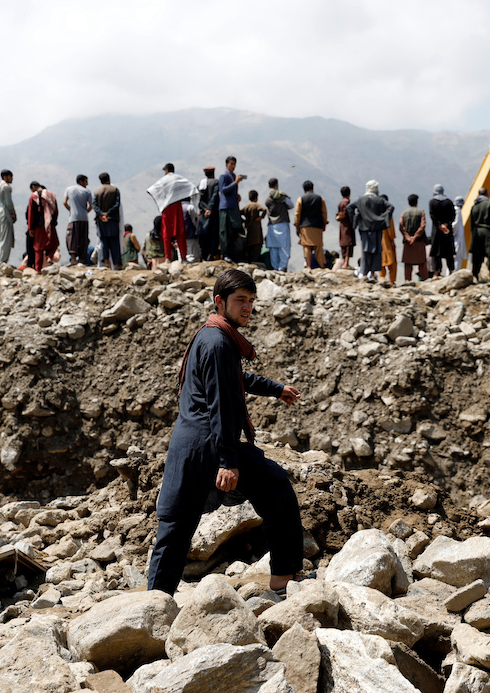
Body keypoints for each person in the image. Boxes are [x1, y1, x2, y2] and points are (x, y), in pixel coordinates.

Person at [146, 269, 304, 595]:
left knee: (175, 527)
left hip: (189, 445)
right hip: (211, 445)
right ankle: (284, 579)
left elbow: (234, 380)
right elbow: (220, 404)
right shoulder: (219, 342)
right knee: (277, 490)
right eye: (239, 301)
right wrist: (228, 460)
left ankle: (155, 600)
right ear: (220, 302)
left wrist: (276, 389)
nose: (247, 307)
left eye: (250, 301)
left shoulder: (213, 336)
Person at [348, 180, 393, 281]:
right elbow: (391, 207)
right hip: (377, 228)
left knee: (365, 251)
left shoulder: (361, 199)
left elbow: (349, 208)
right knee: (377, 251)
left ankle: (364, 274)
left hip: (364, 228)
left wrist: (355, 220)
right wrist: (383, 218)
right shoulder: (380, 200)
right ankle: (373, 273)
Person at [294, 180, 327, 269]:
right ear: (312, 188)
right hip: (317, 226)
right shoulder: (320, 199)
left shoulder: (301, 199)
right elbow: (324, 213)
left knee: (307, 246)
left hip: (305, 226)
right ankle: (322, 266)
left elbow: (297, 213)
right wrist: (324, 224)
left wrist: (297, 226)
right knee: (318, 247)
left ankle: (308, 266)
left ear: (304, 189)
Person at [93, 172, 122, 269]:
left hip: (101, 221)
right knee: (114, 242)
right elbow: (117, 204)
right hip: (112, 219)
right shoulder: (115, 190)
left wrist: (101, 214)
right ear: (109, 179)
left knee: (104, 242)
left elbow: (94, 205)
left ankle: (105, 263)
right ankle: (117, 264)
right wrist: (108, 213)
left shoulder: (97, 191)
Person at [218, 156, 245, 262]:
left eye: (234, 164)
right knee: (225, 232)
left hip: (233, 207)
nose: (233, 166)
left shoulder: (233, 176)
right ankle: (225, 254)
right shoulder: (224, 176)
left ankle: (232, 254)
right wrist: (235, 183)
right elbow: (223, 190)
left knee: (234, 231)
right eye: (231, 164)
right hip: (226, 208)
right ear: (227, 164)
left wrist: (236, 196)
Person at [63, 174, 93, 265]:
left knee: (72, 237)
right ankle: (82, 259)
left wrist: (70, 210)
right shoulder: (87, 191)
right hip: (84, 218)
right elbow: (91, 206)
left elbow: (64, 202)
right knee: (83, 238)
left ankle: (73, 259)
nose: (87, 184)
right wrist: (85, 211)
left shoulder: (69, 189)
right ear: (81, 181)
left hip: (73, 218)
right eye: (86, 181)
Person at [264, 178, 292, 272]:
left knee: (273, 248)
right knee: (284, 247)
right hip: (282, 223)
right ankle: (282, 267)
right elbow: (291, 205)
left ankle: (275, 268)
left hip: (272, 225)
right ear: (277, 184)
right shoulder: (281, 196)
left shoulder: (267, 199)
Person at [428, 184, 456, 277]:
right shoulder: (449, 202)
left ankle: (436, 272)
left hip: (437, 231)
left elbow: (432, 216)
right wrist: (446, 225)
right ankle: (451, 271)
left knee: (437, 252)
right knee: (449, 253)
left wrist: (440, 225)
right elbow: (453, 216)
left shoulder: (432, 202)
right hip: (447, 231)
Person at [469, 187, 490, 281]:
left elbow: (471, 223)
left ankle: (475, 275)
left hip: (476, 233)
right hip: (488, 232)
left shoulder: (474, 206)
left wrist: (474, 232)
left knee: (476, 255)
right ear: (487, 194)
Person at [400, 194, 427, 282]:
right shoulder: (421, 212)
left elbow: (401, 227)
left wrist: (408, 238)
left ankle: (407, 281)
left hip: (408, 243)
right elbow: (422, 226)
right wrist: (415, 237)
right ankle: (425, 281)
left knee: (408, 264)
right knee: (422, 263)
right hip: (419, 241)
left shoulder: (404, 213)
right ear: (417, 202)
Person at [25, 181, 52, 272]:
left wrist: (30, 228)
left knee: (35, 248)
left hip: (36, 226)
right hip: (47, 226)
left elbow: (30, 215)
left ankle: (34, 267)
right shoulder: (50, 197)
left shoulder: (34, 198)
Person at [0, 169, 16, 264]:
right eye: (10, 176)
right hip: (5, 214)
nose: (12, 179)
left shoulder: (0, 186)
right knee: (6, 238)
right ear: (5, 177)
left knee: (0, 237)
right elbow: (9, 203)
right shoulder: (5, 187)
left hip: (0, 213)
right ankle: (3, 261)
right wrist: (13, 213)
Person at [198, 167, 220, 261]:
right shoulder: (216, 182)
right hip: (214, 213)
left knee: (204, 234)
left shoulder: (201, 183)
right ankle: (211, 255)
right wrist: (210, 209)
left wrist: (204, 209)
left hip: (204, 213)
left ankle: (204, 256)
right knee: (213, 234)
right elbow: (215, 196)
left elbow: (198, 199)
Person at [241, 190, 266, 264]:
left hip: (249, 227)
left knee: (249, 245)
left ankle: (249, 260)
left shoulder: (247, 206)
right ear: (256, 198)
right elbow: (264, 209)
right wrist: (261, 217)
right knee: (257, 244)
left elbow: (240, 212)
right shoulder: (256, 205)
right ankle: (255, 261)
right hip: (256, 227)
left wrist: (245, 220)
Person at [378, 194, 397, 285]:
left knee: (380, 261)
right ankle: (392, 281)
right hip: (387, 242)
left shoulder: (376, 214)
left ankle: (381, 279)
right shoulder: (388, 214)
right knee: (391, 262)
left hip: (378, 241)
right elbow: (391, 231)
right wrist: (393, 240)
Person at [336, 186, 355, 270]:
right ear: (349, 194)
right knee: (349, 243)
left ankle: (344, 262)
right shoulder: (348, 203)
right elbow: (345, 214)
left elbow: (339, 215)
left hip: (342, 225)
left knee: (343, 243)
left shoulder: (340, 203)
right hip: (348, 225)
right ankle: (346, 263)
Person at [453, 195, 467, 271]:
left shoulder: (455, 210)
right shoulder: (457, 210)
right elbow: (455, 224)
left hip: (457, 238)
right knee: (457, 259)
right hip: (457, 238)